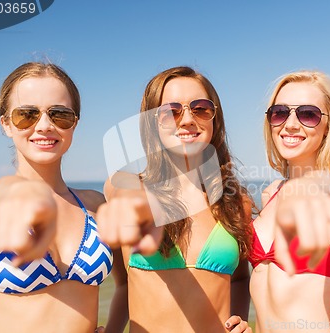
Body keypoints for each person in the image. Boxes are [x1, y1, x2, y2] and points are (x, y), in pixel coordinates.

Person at [97, 66, 252, 332]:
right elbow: (122, 283)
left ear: (215, 118)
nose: (188, 119)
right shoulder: (127, 187)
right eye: (171, 111)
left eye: (201, 108)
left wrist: (239, 320)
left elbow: (239, 279)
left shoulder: (235, 203)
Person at [0, 62, 127, 333]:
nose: (44, 125)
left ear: (74, 124)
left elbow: (128, 283)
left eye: (60, 115)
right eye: (26, 114)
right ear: (6, 124)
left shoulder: (95, 206)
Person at [248, 70, 330, 333]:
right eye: (280, 112)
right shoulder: (270, 194)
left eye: (308, 114)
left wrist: (319, 185)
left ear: (329, 124)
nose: (291, 124)